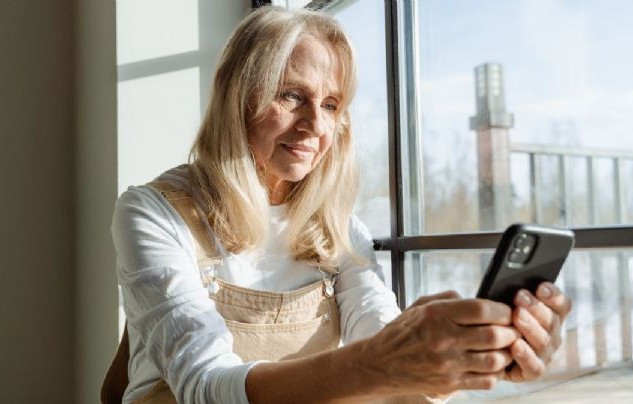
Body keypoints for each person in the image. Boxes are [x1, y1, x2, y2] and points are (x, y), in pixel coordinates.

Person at [107, 6, 571, 404]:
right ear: (237, 97)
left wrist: (468, 355)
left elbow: (384, 349)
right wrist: (385, 359)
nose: (314, 125)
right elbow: (204, 387)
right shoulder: (152, 214)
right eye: (291, 95)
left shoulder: (341, 231)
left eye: (330, 105)